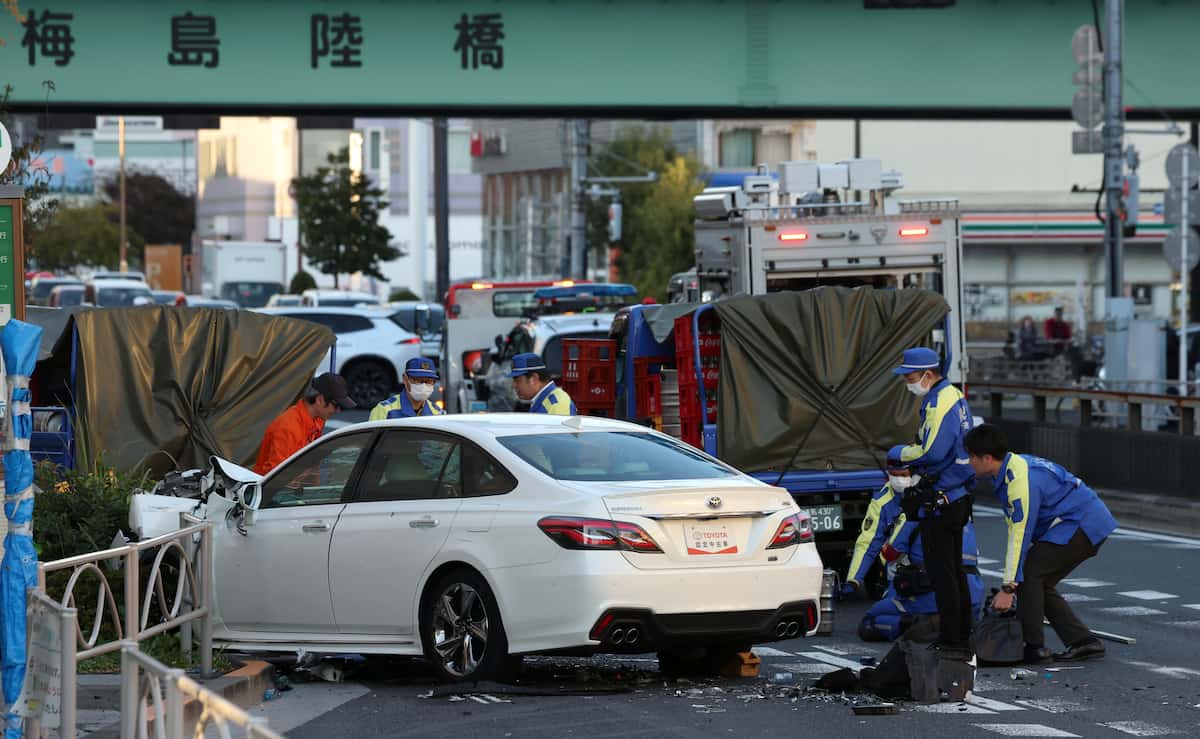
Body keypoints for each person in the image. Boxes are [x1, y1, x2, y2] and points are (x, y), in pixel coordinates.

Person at [964, 424, 1117, 663]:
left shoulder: (1020, 482)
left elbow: (1019, 535)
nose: (968, 461)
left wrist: (1007, 588)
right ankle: (1084, 642)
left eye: (971, 456)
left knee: (1030, 575)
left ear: (986, 458)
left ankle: (1033, 647)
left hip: (1081, 523)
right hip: (1080, 520)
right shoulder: (1011, 467)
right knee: (1038, 582)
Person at [887, 347, 976, 656]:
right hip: (958, 495)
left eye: (910, 377)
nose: (908, 384)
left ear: (928, 374)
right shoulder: (955, 397)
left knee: (943, 574)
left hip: (942, 499)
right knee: (956, 571)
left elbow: (932, 452)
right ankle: (962, 634)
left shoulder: (940, 401)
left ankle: (953, 639)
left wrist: (899, 452)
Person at [844, 480, 985, 642]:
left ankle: (914, 623)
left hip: (930, 590)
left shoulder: (912, 517)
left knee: (869, 622)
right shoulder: (963, 512)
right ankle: (957, 623)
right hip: (972, 593)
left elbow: (891, 554)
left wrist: (855, 578)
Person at [254, 373, 355, 475]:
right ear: (319, 400)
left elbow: (313, 465)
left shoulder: (318, 419)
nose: (338, 411)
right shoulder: (288, 427)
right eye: (336, 406)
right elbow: (275, 476)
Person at [370, 357, 444, 420]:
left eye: (429, 381)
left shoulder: (438, 413)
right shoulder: (384, 411)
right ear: (405, 379)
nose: (424, 385)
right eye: (418, 380)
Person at [509, 352, 577, 415]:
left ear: (534, 379)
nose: (513, 386)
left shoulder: (556, 404)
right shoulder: (545, 401)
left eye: (517, 380)